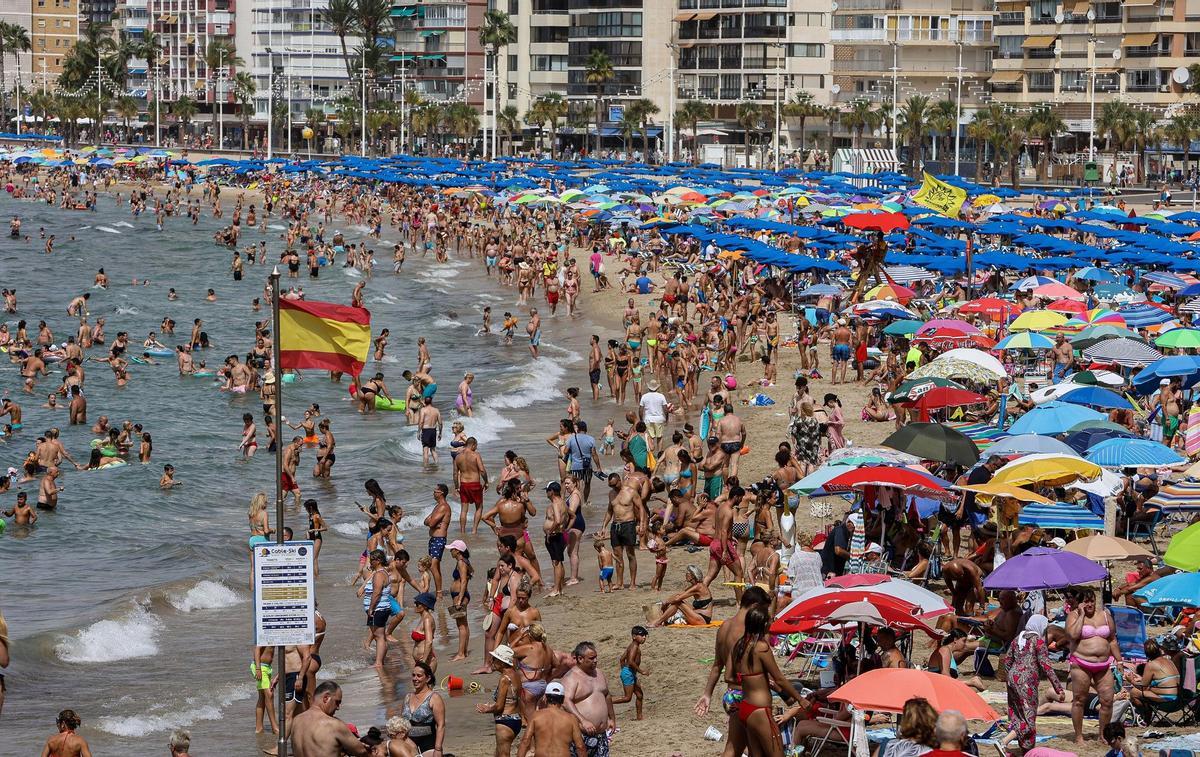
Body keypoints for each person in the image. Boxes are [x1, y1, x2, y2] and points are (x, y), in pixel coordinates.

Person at [729, 606, 809, 757]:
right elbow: (779, 677)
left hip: (745, 707)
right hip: (760, 710)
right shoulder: (761, 647)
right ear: (764, 623)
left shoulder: (739, 645)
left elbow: (731, 676)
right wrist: (800, 699)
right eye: (770, 620)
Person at [1000, 615, 1064, 755]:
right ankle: (1004, 742)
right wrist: (1058, 688)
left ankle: (1025, 751)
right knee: (1029, 720)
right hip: (1027, 683)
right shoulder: (1038, 641)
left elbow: (1007, 661)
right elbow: (1047, 667)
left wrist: (1009, 679)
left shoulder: (1017, 639)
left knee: (1018, 716)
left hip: (1012, 678)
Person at [1066, 588, 1121, 745]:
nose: (1089, 604)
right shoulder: (1073, 616)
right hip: (1081, 663)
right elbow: (1073, 636)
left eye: (1092, 601)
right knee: (1079, 700)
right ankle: (1078, 736)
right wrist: (1081, 615)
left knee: (1107, 700)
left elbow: (1112, 640)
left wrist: (1120, 661)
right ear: (1080, 603)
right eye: (1086, 601)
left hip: (1103, 664)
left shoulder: (1105, 615)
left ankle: (1102, 735)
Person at [561, 641, 615, 757]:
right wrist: (583, 720)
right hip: (581, 735)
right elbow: (566, 701)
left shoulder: (599, 673)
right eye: (591, 658)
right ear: (580, 659)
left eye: (596, 657)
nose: (595, 660)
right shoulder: (571, 677)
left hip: (601, 735)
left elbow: (607, 695)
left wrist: (611, 718)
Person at [289, 681, 370, 757]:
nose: (338, 707)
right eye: (337, 702)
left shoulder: (296, 720)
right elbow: (362, 751)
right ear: (326, 698)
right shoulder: (333, 725)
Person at [476, 644, 523, 756]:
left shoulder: (504, 679)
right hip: (516, 719)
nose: (492, 662)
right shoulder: (516, 675)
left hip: (505, 722)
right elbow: (512, 700)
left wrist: (487, 709)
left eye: (495, 659)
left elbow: (500, 707)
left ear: (502, 662)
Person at [516, 681, 586, 757]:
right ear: (562, 699)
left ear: (545, 698)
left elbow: (525, 741)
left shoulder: (536, 716)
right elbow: (580, 746)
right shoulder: (571, 719)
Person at [401, 661, 446, 755]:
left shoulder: (434, 698)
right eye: (413, 675)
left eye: (419, 675)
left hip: (428, 744)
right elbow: (402, 723)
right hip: (408, 743)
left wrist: (438, 749)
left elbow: (441, 725)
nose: (415, 678)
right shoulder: (407, 697)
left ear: (428, 678)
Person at [611, 626, 649, 720]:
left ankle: (639, 717)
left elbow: (622, 659)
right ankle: (605, 701)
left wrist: (626, 670)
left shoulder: (632, 646)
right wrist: (641, 671)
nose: (644, 637)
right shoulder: (634, 647)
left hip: (630, 673)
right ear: (634, 636)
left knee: (639, 695)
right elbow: (631, 661)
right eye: (641, 635)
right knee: (627, 698)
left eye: (645, 635)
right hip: (629, 673)